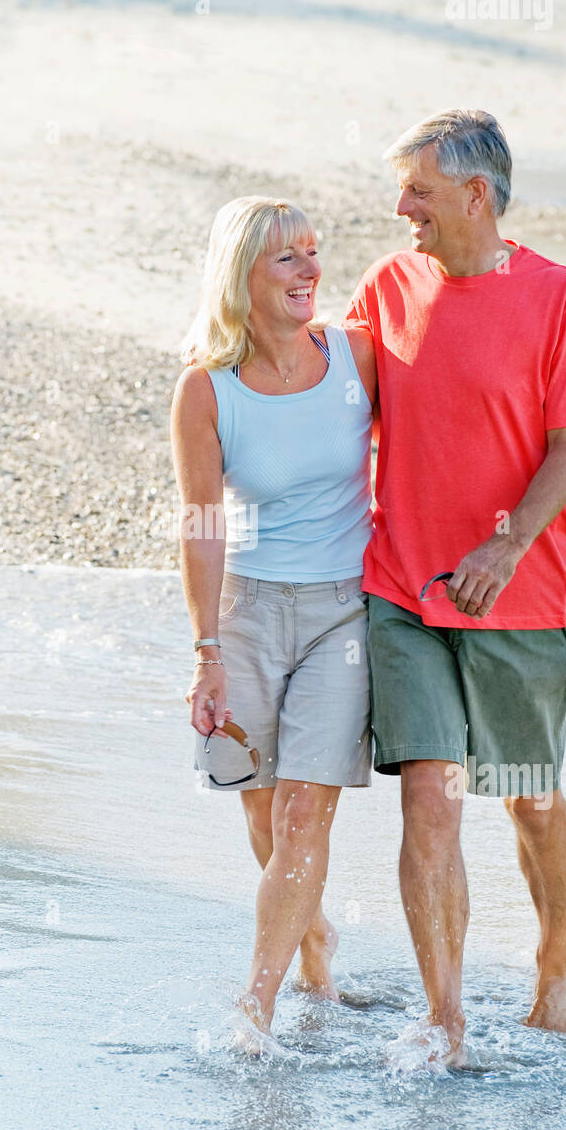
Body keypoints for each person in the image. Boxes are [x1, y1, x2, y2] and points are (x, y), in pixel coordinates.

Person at [345, 109, 566, 1065]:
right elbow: (329, 391)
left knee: (528, 796)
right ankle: (446, 1015)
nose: (400, 207)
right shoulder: (387, 285)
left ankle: (558, 964)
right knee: (431, 793)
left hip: (525, 596)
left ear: (475, 195)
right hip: (406, 588)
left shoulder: (557, 296)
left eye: (417, 189)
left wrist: (504, 548)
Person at [170, 195, 377, 1040]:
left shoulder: (357, 355)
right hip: (248, 611)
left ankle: (255, 1004)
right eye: (286, 258)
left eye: (313, 253)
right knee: (257, 808)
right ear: (243, 274)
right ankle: (313, 938)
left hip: (342, 617)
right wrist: (207, 651)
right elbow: (202, 523)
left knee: (301, 811)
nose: (309, 271)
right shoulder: (205, 390)